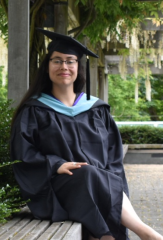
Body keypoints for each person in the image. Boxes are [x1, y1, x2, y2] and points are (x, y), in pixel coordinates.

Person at [10, 28, 163, 240]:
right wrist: (55, 165)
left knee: (99, 176)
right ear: (47, 67)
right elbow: (22, 154)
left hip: (101, 187)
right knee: (89, 173)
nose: (64, 66)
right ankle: (146, 233)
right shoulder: (34, 110)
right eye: (57, 60)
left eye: (70, 61)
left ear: (78, 67)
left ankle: (108, 236)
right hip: (58, 189)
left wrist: (110, 180)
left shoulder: (96, 109)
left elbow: (113, 157)